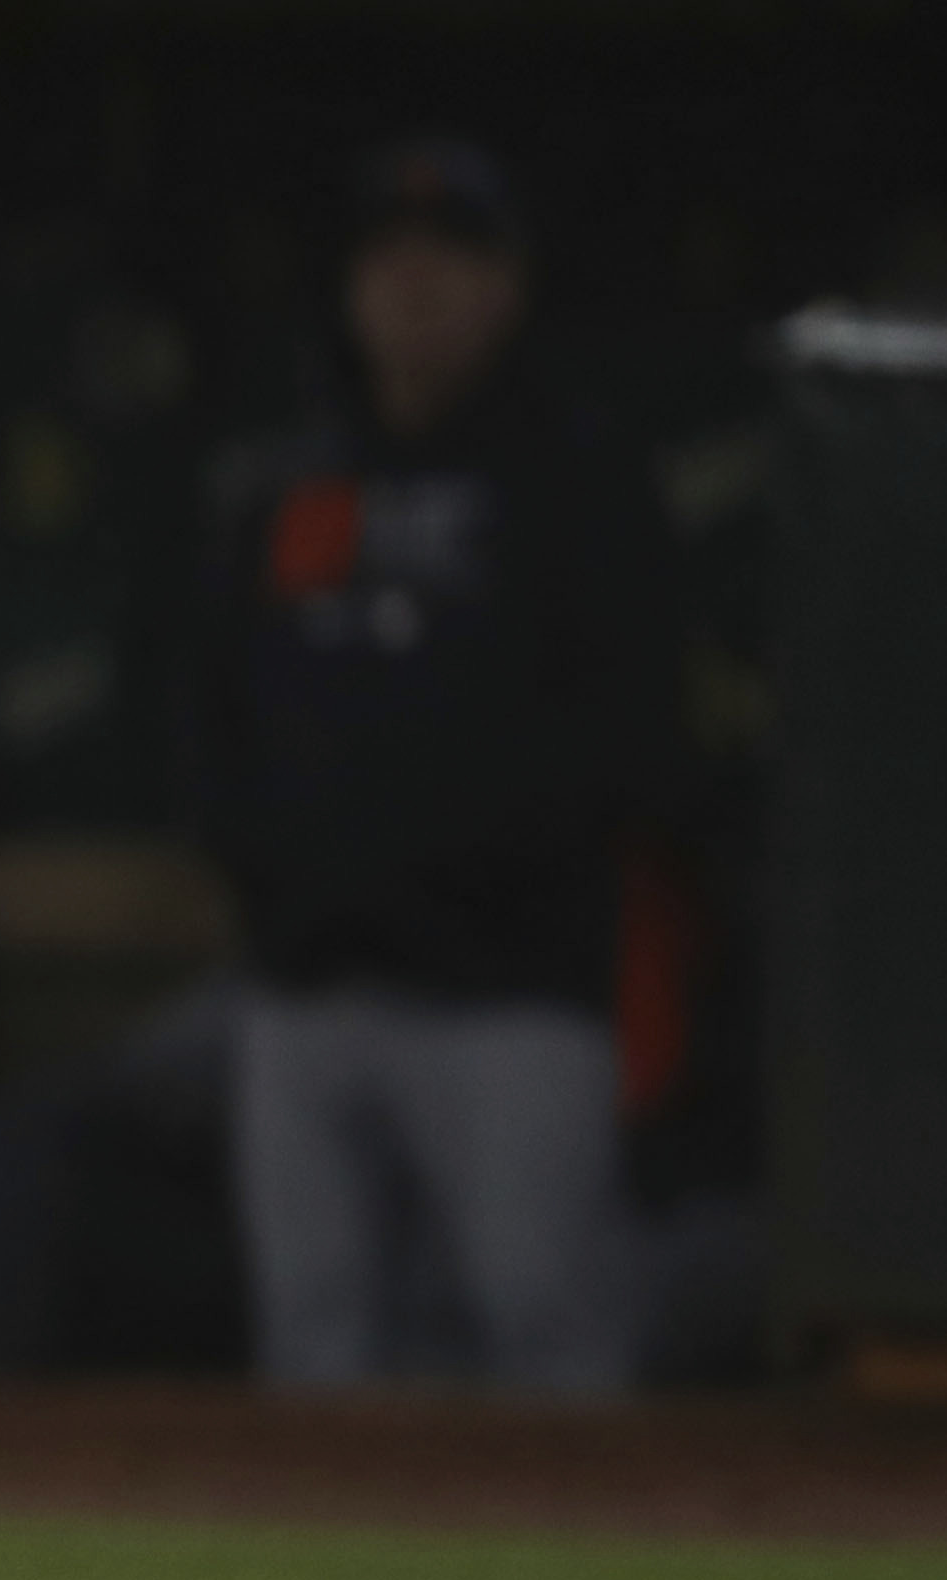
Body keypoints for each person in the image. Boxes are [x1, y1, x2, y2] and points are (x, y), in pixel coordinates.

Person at [195, 140, 679, 1396]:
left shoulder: (576, 478)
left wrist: (444, 869)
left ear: (505, 285)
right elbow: (217, 711)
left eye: (450, 256)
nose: (413, 285)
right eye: (387, 256)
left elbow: (628, 734)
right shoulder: (290, 481)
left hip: (507, 997)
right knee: (315, 1352)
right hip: (306, 992)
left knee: (545, 1341)